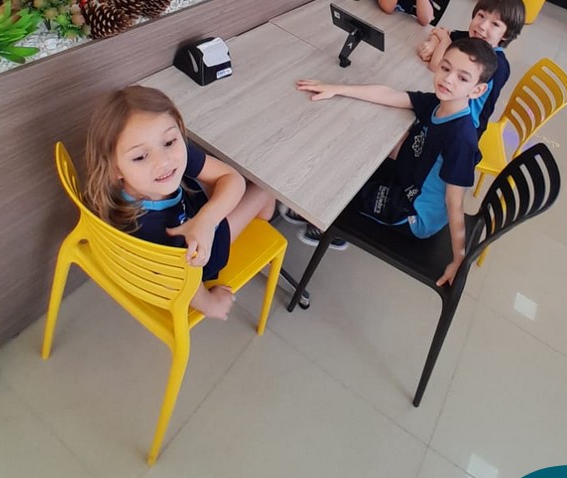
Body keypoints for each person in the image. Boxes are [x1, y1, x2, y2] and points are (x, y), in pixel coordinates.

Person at [296, 36, 498, 284]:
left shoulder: (461, 139)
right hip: (404, 181)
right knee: (352, 162)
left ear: (477, 90)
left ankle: (324, 226)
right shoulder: (439, 103)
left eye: (462, 78)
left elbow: (454, 203)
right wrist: (337, 88)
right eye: (446, 68)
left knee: (339, 186)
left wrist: (459, 258)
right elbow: (391, 95)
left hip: (412, 213)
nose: (448, 79)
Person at [85, 86, 275, 320]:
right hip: (200, 257)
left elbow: (231, 178)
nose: (164, 161)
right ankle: (263, 222)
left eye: (169, 142)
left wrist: (207, 219)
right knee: (265, 190)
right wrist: (210, 303)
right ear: (114, 168)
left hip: (197, 217)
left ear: (178, 131)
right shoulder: (148, 228)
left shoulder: (162, 155)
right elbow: (178, 280)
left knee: (231, 185)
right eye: (140, 156)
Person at [418, 0, 526, 135]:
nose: (482, 26)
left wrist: (444, 40)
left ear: (506, 34)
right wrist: (434, 42)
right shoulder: (472, 40)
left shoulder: (497, 66)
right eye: (481, 15)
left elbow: (435, 65)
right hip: (445, 106)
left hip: (462, 128)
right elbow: (442, 31)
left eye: (495, 24)